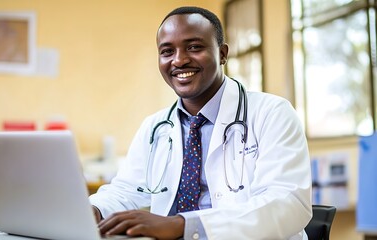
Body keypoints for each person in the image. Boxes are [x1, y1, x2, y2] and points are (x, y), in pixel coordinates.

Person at [89, 6, 312, 240]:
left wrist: (183, 225)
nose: (179, 60)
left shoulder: (272, 113)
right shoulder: (154, 127)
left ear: (223, 54)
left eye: (194, 47)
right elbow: (125, 190)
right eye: (167, 51)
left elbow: (288, 203)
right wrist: (93, 209)